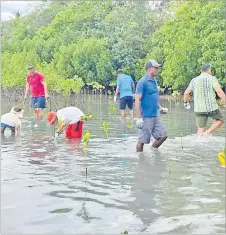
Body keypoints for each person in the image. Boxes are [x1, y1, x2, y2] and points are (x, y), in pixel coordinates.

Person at [135, 59, 168, 152]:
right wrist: (139, 118)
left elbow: (153, 97)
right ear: (149, 69)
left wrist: (160, 108)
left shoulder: (154, 81)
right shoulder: (142, 82)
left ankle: (153, 151)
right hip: (146, 116)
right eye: (156, 68)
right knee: (142, 141)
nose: (158, 69)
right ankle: (140, 159)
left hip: (155, 115)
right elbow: (137, 100)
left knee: (163, 136)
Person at [184, 64, 225, 136]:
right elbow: (219, 91)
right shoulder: (212, 78)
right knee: (220, 120)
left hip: (199, 109)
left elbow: (186, 93)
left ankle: (199, 141)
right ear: (209, 70)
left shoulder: (194, 80)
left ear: (201, 71)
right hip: (211, 107)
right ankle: (207, 133)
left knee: (200, 129)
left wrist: (185, 102)